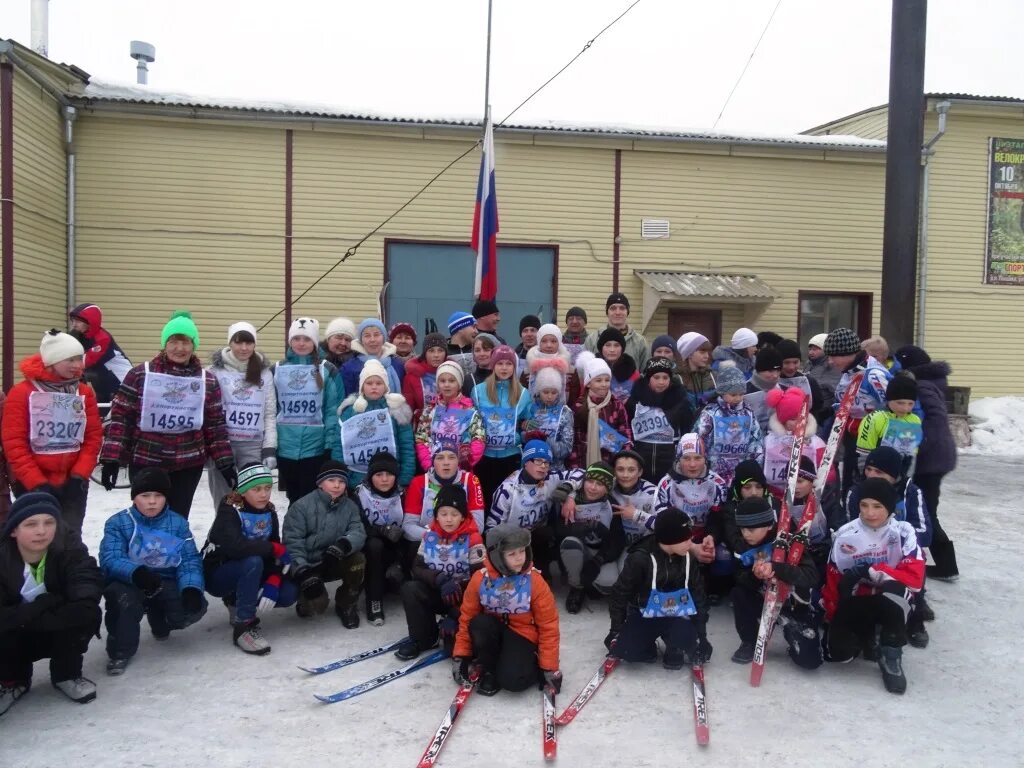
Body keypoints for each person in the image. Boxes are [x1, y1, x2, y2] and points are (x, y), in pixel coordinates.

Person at [99, 311, 235, 520]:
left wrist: (224, 461)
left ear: (193, 345)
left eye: (186, 342)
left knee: (178, 519)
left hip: (187, 464)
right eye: (173, 341)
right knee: (148, 517)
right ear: (164, 343)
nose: (179, 348)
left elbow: (215, 426)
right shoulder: (140, 374)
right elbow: (121, 418)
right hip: (147, 459)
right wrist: (111, 457)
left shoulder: (206, 381)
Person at [0, 492, 102, 714]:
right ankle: (12, 681)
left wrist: (36, 616)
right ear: (14, 530)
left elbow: (86, 589)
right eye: (31, 524)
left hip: (52, 623)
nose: (41, 531)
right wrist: (42, 605)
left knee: (85, 615)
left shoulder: (70, 547)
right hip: (17, 629)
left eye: (49, 522)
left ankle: (67, 673)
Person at [100, 468, 208, 676]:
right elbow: (110, 557)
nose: (152, 501)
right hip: (129, 581)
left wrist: (191, 588)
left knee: (194, 607)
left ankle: (161, 618)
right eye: (145, 496)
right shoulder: (118, 523)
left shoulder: (177, 523)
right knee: (124, 603)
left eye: (158, 496)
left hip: (163, 580)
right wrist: (137, 574)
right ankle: (120, 651)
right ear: (134, 498)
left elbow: (189, 559)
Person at [823, 477, 925, 695]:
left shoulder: (904, 532)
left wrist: (873, 570)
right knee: (840, 654)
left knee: (897, 591)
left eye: (877, 506)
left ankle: (891, 653)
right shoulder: (845, 535)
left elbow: (914, 580)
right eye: (864, 505)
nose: (870, 513)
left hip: (888, 600)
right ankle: (866, 636)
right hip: (857, 600)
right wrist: (833, 618)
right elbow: (833, 579)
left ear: (889, 507)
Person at [2, 331, 103, 539]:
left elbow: (93, 437)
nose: (78, 365)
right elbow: (14, 443)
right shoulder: (22, 393)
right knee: (38, 540)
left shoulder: (83, 392)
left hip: (73, 483)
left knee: (70, 539)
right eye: (70, 359)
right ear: (52, 361)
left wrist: (79, 475)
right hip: (32, 484)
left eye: (79, 358)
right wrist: (37, 483)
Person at [452, 524, 561, 697]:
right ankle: (490, 668)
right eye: (512, 554)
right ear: (497, 556)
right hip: (494, 632)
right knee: (479, 623)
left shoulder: (534, 581)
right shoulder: (480, 579)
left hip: (522, 635)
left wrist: (548, 666)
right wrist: (461, 655)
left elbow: (548, 625)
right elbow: (467, 617)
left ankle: (527, 663)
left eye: (522, 551)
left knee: (513, 682)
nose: (519, 558)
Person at [201, 462, 297, 655]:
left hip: (252, 569)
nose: (264, 494)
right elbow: (235, 547)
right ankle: (244, 626)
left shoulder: (269, 511)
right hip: (219, 573)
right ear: (243, 491)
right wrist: (272, 548)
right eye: (256, 489)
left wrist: (274, 578)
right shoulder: (230, 509)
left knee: (288, 594)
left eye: (268, 488)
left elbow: (273, 548)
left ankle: (237, 601)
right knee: (252, 561)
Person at [845, 446, 932, 648]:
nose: (871, 475)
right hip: (866, 549)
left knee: (918, 558)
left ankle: (915, 615)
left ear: (894, 476)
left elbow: (924, 531)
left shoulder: (910, 491)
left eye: (879, 472)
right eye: (869, 470)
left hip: (900, 549)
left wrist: (896, 538)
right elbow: (849, 527)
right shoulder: (856, 492)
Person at [606, 507, 711, 669]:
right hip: (644, 613)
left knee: (680, 654)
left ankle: (673, 645)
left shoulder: (688, 558)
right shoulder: (640, 558)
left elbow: (698, 595)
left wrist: (702, 637)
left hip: (677, 615)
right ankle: (647, 646)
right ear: (669, 540)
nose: (691, 544)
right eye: (685, 539)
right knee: (628, 652)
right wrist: (616, 630)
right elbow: (620, 593)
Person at [726, 496, 820, 668]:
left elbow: (811, 576)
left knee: (810, 661)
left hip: (793, 604)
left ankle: (793, 633)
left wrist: (777, 568)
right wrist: (755, 575)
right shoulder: (743, 545)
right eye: (743, 529)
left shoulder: (790, 542)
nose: (746, 534)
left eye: (752, 529)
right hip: (762, 600)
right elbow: (739, 576)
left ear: (769, 525)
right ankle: (749, 640)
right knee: (738, 593)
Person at [395, 484, 485, 660]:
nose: (449, 519)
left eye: (454, 514)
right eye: (443, 514)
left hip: (463, 600)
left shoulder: (473, 539)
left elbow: (481, 580)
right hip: (439, 590)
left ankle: (453, 625)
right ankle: (425, 638)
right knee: (410, 588)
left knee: (451, 652)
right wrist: (439, 579)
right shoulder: (430, 536)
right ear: (436, 515)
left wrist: (456, 612)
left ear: (462, 516)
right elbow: (418, 567)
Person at [893, 345, 958, 581]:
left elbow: (932, 419)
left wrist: (915, 441)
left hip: (931, 457)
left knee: (926, 511)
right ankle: (941, 563)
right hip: (937, 455)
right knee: (928, 509)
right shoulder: (932, 382)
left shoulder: (921, 386)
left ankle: (945, 564)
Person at [281, 461, 366, 628]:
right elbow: (292, 542)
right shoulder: (301, 506)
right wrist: (303, 572)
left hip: (335, 559)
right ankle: (305, 597)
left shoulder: (350, 506)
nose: (337, 485)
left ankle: (347, 603)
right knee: (314, 608)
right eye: (331, 480)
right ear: (320, 483)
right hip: (310, 565)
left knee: (358, 559)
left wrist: (343, 545)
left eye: (341, 481)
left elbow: (358, 531)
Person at [273, 317, 344, 505]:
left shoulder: (327, 369)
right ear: (290, 341)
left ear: (314, 342)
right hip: (286, 447)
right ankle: (292, 534)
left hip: (315, 448)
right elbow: (272, 409)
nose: (301, 344)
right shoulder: (277, 369)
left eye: (307, 339)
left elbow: (333, 411)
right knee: (293, 498)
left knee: (312, 499)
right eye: (296, 339)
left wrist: (329, 445)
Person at [206, 322, 278, 507]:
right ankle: (223, 533)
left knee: (252, 498)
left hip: (252, 445)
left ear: (255, 344)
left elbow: (269, 413)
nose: (244, 348)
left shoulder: (264, 373)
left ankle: (251, 533)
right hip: (223, 445)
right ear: (230, 343)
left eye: (249, 343)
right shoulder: (214, 371)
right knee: (224, 500)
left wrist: (269, 447)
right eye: (238, 342)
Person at [488, 440, 579, 577]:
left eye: (547, 462)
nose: (543, 466)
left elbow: (581, 473)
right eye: (538, 461)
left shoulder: (550, 478)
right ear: (526, 462)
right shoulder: (507, 490)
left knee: (552, 533)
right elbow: (491, 527)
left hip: (538, 535)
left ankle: (553, 570)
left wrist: (569, 493)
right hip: (513, 541)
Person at [822, 328, 891, 498]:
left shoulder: (873, 374)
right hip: (853, 438)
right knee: (849, 487)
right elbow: (847, 402)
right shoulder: (849, 371)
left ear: (848, 353)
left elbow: (893, 408)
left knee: (864, 488)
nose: (830, 362)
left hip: (873, 442)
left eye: (833, 356)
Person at [559, 461, 626, 613]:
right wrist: (580, 527)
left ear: (607, 488)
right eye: (590, 481)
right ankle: (577, 587)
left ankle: (589, 582)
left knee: (609, 583)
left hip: (599, 550)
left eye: (600, 484)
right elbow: (558, 531)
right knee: (570, 544)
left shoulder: (611, 505)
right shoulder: (571, 500)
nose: (593, 487)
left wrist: (599, 560)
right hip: (578, 549)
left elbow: (618, 540)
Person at [336, 359, 415, 489]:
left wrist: (405, 478)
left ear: (386, 386)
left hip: (389, 480)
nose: (374, 387)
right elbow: (339, 445)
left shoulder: (396, 410)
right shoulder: (350, 411)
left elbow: (406, 445)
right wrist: (345, 477)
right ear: (362, 386)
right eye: (369, 383)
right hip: (357, 480)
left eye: (379, 383)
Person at [472, 345, 532, 510]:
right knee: (485, 498)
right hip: (484, 457)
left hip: (510, 456)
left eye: (508, 364)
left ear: (514, 366)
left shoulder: (523, 393)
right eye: (500, 363)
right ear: (493, 366)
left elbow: (527, 424)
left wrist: (519, 436)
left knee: (507, 501)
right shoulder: (478, 391)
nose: (504, 368)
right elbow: (473, 422)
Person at [654, 434, 726, 572]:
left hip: (704, 535)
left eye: (698, 458)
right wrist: (690, 546)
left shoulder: (717, 483)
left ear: (705, 458)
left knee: (723, 558)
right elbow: (662, 524)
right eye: (686, 458)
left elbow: (718, 519)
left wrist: (712, 537)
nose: (692, 464)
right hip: (677, 538)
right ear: (678, 459)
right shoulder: (666, 484)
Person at [403, 441, 485, 559]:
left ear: (458, 461)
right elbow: (408, 526)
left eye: (452, 458)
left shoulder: (471, 480)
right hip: (428, 544)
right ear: (433, 462)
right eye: (440, 458)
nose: (446, 463)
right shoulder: (418, 482)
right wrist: (435, 538)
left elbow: (478, 526)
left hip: (461, 543)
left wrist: (451, 538)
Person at [355, 451, 406, 625]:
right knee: (374, 545)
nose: (384, 479)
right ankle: (373, 600)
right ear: (371, 476)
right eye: (378, 475)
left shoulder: (402, 494)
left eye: (389, 474)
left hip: (396, 547)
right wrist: (383, 530)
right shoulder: (360, 494)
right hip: (370, 547)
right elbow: (358, 527)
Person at [626, 358, 694, 483]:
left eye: (665, 377)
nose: (661, 382)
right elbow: (627, 427)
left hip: (670, 460)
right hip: (641, 459)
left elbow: (687, 431)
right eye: (656, 377)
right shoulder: (635, 401)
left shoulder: (680, 402)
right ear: (648, 379)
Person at [695, 366, 764, 486]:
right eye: (733, 394)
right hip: (713, 474)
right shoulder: (710, 413)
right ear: (722, 392)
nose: (738, 398)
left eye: (741, 394)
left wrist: (755, 465)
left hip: (740, 474)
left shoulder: (748, 413)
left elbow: (756, 440)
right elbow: (698, 439)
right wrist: (701, 466)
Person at [414, 361, 485, 473]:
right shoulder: (430, 410)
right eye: (442, 381)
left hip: (460, 472)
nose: (447, 384)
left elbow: (478, 440)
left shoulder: (470, 411)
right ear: (438, 384)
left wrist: (464, 464)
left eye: (452, 381)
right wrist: (429, 466)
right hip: (434, 471)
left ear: (459, 384)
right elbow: (421, 440)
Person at [761, 387, 828, 498]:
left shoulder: (816, 442)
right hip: (776, 495)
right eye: (793, 419)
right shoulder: (769, 442)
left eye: (801, 418)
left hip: (807, 495)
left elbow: (827, 471)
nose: (798, 422)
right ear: (783, 420)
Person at [573, 352, 633, 468]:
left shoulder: (616, 405)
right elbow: (575, 441)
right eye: (598, 380)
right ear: (589, 384)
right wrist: (575, 466)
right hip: (584, 463)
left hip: (610, 463)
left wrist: (623, 460)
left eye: (607, 380)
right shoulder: (578, 406)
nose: (604, 384)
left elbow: (625, 432)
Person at [68, 302, 132, 411]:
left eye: (78, 321)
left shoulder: (102, 338)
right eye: (73, 321)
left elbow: (84, 362)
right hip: (102, 384)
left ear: (90, 320)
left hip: (122, 384)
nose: (74, 324)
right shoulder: (80, 335)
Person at [856, 374, 923, 477]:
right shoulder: (875, 419)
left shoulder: (915, 420)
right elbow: (863, 454)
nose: (905, 408)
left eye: (910, 404)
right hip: (875, 475)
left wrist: (906, 480)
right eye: (900, 403)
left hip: (900, 476)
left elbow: (911, 455)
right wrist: (866, 479)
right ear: (889, 399)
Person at [523, 367, 574, 471]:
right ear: (538, 391)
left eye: (554, 392)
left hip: (555, 470)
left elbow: (566, 449)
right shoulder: (530, 408)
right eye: (545, 392)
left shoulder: (565, 412)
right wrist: (525, 435)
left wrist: (546, 440)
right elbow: (521, 441)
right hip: (531, 468)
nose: (550, 396)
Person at [584, 292, 649, 371]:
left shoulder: (640, 342)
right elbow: (585, 371)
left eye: (622, 308)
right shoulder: (592, 339)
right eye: (613, 308)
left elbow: (645, 373)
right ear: (607, 312)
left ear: (627, 312)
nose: (618, 312)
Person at [341, 318, 405, 396]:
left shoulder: (397, 365)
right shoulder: (349, 368)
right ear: (361, 340)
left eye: (376, 335)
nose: (372, 339)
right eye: (367, 336)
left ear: (383, 338)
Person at [610, 449, 659, 550]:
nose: (625, 475)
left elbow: (664, 525)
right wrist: (571, 496)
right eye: (620, 469)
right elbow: (584, 481)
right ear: (614, 471)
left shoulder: (653, 493)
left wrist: (636, 515)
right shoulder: (608, 487)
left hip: (645, 548)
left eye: (631, 470)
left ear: (640, 472)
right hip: (616, 547)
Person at [402, 332, 447, 425]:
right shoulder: (412, 377)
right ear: (425, 353)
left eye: (440, 350)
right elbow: (408, 411)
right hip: (421, 430)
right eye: (431, 351)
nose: (436, 355)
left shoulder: (453, 374)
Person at [525, 323, 572, 398]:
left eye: (553, 341)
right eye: (544, 341)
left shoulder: (569, 369)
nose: (549, 345)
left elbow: (575, 395)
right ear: (539, 342)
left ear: (559, 343)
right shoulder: (529, 367)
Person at [676, 332, 717, 412]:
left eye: (708, 352)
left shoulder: (712, 375)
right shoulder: (677, 378)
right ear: (689, 354)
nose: (707, 356)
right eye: (702, 352)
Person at [597, 327, 640, 404]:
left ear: (622, 349)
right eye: (608, 345)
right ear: (601, 348)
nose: (612, 350)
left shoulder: (632, 371)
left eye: (616, 345)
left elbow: (639, 397)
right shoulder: (593, 369)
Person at [804, 332, 840, 406]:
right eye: (810, 349)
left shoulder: (832, 367)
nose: (811, 352)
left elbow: (837, 393)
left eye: (815, 349)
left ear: (825, 349)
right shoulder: (809, 364)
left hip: (824, 410)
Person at [446, 311, 478, 376]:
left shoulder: (478, 350)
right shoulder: (443, 353)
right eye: (473, 327)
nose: (476, 331)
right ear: (460, 328)